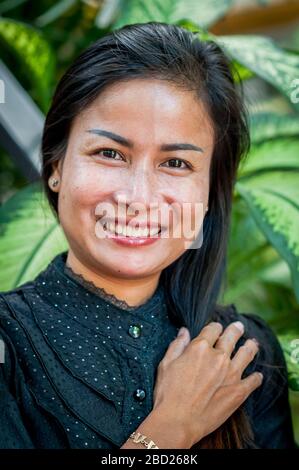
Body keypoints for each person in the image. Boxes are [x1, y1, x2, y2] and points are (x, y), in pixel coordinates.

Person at [0, 22, 295, 449]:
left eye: (176, 163)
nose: (138, 198)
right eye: (109, 153)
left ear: (211, 190)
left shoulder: (242, 354)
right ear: (57, 166)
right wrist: (168, 431)